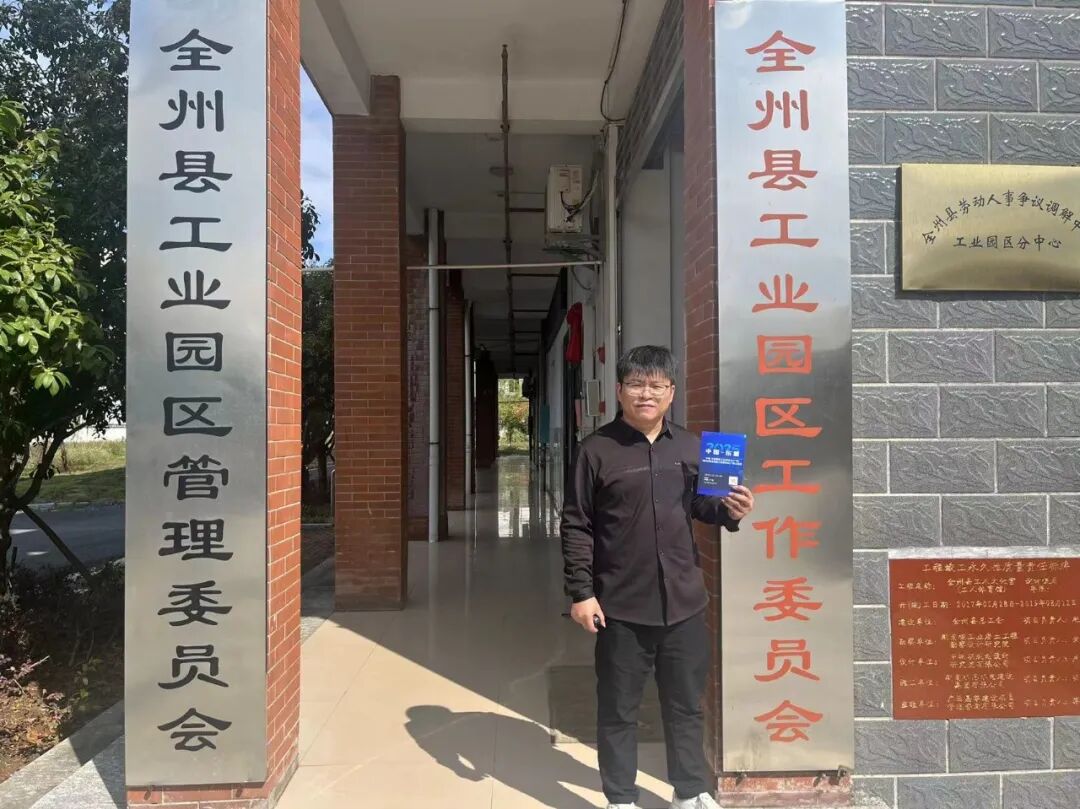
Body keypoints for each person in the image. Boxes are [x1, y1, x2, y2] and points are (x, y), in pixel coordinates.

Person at [561, 345, 755, 809]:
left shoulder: (692, 447)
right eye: (636, 384)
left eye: (656, 385)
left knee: (685, 705)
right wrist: (581, 592)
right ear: (619, 390)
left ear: (671, 392)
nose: (645, 394)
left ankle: (689, 792)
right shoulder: (595, 451)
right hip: (620, 606)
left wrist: (732, 511)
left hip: (684, 603)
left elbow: (703, 506)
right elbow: (576, 524)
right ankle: (621, 798)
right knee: (618, 709)